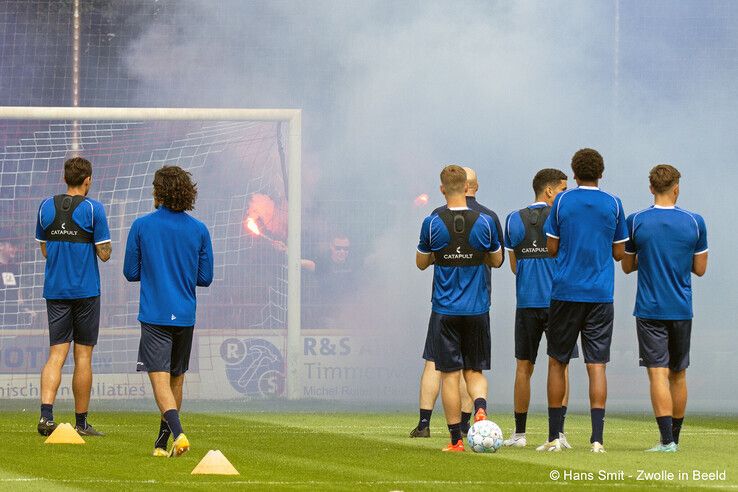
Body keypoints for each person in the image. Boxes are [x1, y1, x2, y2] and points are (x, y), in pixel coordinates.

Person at [539, 148, 628, 453]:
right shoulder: (614, 203)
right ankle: (597, 439)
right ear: (601, 173)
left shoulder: (562, 200)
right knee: (597, 365)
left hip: (565, 291)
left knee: (556, 361)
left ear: (573, 173)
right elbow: (619, 253)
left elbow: (551, 247)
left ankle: (554, 437)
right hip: (601, 294)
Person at [123, 165, 214, 457]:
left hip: (155, 314)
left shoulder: (141, 225)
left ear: (158, 191)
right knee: (177, 379)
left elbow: (130, 272)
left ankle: (179, 434)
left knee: (160, 380)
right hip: (185, 314)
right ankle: (161, 445)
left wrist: (157, 268)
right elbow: (205, 277)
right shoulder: (199, 229)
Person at [410, 166, 504, 438]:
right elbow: (497, 261)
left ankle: (454, 439)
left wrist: (442, 256)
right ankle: (480, 408)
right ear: (467, 187)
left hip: (445, 310)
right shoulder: (485, 222)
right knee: (474, 371)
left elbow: (420, 263)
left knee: (449, 375)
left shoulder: (432, 222)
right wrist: (475, 256)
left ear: (441, 189)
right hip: (477, 308)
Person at [621, 165, 707, 453]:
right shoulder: (695, 222)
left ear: (650, 188)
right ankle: (675, 439)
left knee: (657, 373)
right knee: (679, 374)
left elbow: (627, 266)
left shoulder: (636, 221)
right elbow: (700, 269)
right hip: (681, 308)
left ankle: (666, 440)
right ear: (676, 187)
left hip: (649, 309)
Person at [35, 156, 112, 436]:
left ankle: (46, 416)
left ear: (64, 177)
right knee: (83, 357)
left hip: (55, 290)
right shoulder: (94, 209)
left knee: (56, 354)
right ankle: (81, 424)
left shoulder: (45, 206)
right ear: (87, 180)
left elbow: (44, 249)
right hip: (86, 292)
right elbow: (104, 254)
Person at [502, 168, 578, 449]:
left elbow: (514, 266)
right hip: (559, 303)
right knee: (561, 367)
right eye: (562, 190)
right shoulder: (561, 218)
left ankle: (519, 434)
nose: (565, 196)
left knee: (523, 367)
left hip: (526, 303)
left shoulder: (512, 219)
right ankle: (558, 434)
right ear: (549, 191)